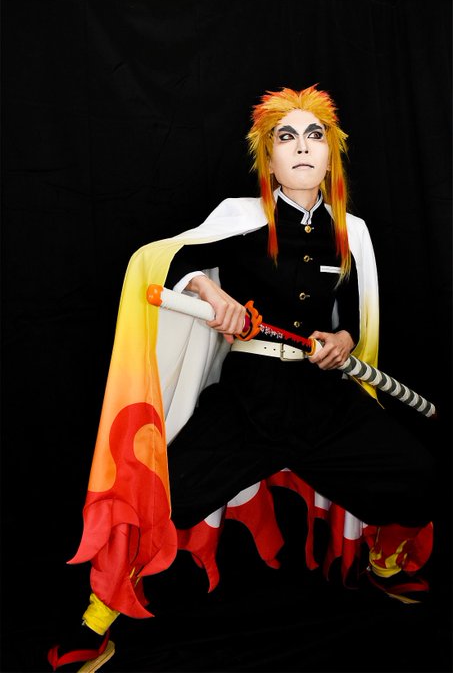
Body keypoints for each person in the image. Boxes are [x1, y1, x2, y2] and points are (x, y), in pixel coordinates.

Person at [48, 85, 436, 672]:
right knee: (163, 497)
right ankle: (96, 620)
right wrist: (210, 290)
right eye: (287, 137)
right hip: (250, 399)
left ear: (330, 155)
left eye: (315, 136)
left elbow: (354, 318)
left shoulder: (351, 231)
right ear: (269, 158)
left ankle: (384, 563)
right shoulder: (239, 217)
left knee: (418, 473)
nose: (302, 147)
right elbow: (166, 261)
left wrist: (343, 341)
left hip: (323, 401)